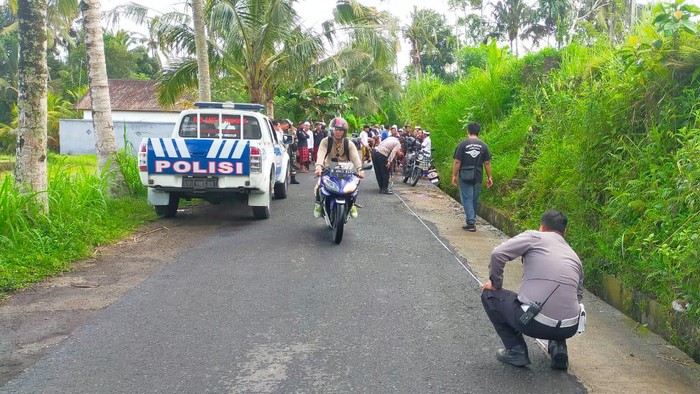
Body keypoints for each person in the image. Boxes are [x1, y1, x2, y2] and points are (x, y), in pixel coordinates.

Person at [481, 210, 584, 370]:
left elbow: (498, 253)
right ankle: (559, 348)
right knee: (560, 300)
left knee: (489, 295)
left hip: (533, 323)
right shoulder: (574, 256)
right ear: (565, 232)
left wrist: (496, 283)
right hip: (569, 327)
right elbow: (577, 297)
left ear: (541, 227)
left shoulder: (535, 237)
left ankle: (516, 351)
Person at [313, 117, 365, 218]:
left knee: (354, 185)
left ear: (344, 132)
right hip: (328, 170)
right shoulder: (325, 141)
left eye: (340, 130)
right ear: (331, 130)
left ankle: (352, 204)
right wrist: (318, 167)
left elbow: (355, 157)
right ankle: (318, 203)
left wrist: (360, 169)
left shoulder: (348, 143)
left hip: (346, 171)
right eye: (336, 129)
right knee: (319, 184)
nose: (338, 132)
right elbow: (321, 154)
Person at [451, 122, 492, 231]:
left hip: (465, 175)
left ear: (468, 131)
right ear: (478, 132)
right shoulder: (483, 145)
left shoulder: (463, 144)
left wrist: (454, 175)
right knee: (474, 198)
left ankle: (471, 222)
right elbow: (487, 163)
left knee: (467, 198)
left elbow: (457, 161)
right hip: (478, 175)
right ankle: (472, 219)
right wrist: (489, 177)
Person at [371, 126, 402, 194]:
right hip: (381, 154)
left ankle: (381, 187)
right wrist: (389, 162)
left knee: (378, 171)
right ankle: (384, 189)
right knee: (385, 172)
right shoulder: (398, 144)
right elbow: (393, 152)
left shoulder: (390, 138)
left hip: (375, 152)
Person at [279, 119, 300, 184]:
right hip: (282, 150)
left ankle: (293, 178)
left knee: (292, 163)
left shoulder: (290, 132)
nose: (287, 126)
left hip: (290, 150)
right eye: (287, 125)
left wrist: (296, 150)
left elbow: (295, 141)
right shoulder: (278, 132)